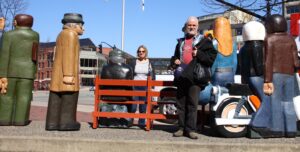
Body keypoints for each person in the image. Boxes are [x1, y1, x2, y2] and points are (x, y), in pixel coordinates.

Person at [171, 16, 217, 139]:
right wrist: (174, 60)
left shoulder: (205, 41)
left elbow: (211, 59)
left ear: (197, 27)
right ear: (186, 27)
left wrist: (199, 54)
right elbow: (174, 57)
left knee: (192, 104)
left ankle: (191, 129)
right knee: (181, 104)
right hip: (181, 76)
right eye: (189, 25)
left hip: (195, 77)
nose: (191, 27)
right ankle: (181, 128)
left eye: (194, 25)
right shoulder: (180, 42)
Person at [45, 13, 84, 131]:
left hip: (57, 76)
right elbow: (69, 55)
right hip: (68, 75)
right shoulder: (71, 35)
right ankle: (67, 122)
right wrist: (68, 75)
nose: (83, 28)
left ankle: (52, 122)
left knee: (55, 98)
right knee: (69, 98)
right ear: (73, 25)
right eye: (81, 25)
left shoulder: (61, 34)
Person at [264, 14, 299, 138]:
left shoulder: (269, 39)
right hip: (289, 74)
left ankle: (277, 129)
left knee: (276, 102)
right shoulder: (290, 39)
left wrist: (267, 79)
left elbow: (268, 61)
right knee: (288, 102)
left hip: (275, 74)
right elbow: (296, 61)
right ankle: (291, 129)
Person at [0, 14, 39, 126]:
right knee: (24, 97)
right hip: (27, 72)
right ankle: (20, 120)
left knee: (6, 96)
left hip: (10, 71)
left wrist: (2, 74)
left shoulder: (8, 35)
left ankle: (4, 119)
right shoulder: (35, 35)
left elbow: (4, 55)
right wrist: (34, 72)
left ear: (16, 22)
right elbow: (35, 56)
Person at [239, 21, 271, 137]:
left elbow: (241, 66)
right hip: (257, 77)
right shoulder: (257, 45)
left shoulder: (243, 48)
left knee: (256, 100)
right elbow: (258, 66)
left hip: (247, 77)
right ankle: (259, 124)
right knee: (267, 100)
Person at [100, 48, 133, 127]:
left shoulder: (105, 68)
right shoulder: (128, 69)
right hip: (124, 97)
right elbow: (130, 86)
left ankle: (105, 119)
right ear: (122, 58)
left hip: (107, 96)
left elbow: (101, 85)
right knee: (131, 94)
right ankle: (126, 120)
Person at [129, 45, 154, 128]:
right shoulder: (133, 62)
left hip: (145, 86)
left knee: (143, 107)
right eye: (139, 51)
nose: (141, 53)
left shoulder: (149, 62)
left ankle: (142, 122)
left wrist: (152, 87)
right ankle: (130, 121)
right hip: (135, 86)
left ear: (145, 52)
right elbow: (130, 74)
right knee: (133, 106)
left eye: (143, 51)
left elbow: (153, 75)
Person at [211, 17, 237, 87]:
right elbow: (235, 62)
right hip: (230, 74)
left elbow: (213, 63)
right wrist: (232, 73)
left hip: (217, 74)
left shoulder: (214, 43)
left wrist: (210, 75)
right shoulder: (233, 44)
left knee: (216, 95)